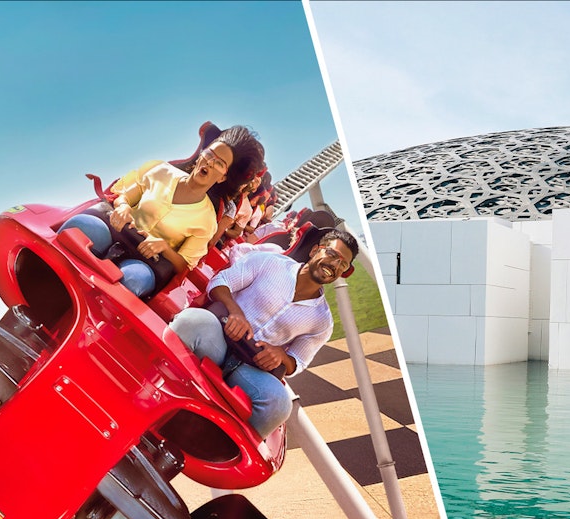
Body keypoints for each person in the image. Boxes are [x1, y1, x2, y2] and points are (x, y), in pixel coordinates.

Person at [169, 228, 359, 438]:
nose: (334, 265)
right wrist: (235, 311)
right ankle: (158, 391)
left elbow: (298, 361)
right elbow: (220, 282)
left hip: (249, 368)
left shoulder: (322, 320)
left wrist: (281, 356)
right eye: (331, 254)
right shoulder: (270, 262)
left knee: (279, 405)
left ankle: (210, 444)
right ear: (315, 250)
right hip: (218, 339)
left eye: (343, 264)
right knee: (190, 321)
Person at [58, 125, 264, 297]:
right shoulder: (161, 171)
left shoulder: (208, 221)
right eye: (210, 154)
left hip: (145, 261)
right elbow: (124, 195)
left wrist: (164, 247)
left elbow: (184, 264)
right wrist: (122, 207)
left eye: (219, 163)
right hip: (116, 229)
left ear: (223, 177)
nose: (210, 163)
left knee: (133, 280)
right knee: (80, 226)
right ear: (201, 154)